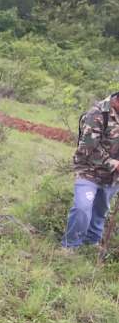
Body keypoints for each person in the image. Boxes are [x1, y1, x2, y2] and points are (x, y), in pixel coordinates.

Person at [61, 92, 119, 252]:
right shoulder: (98, 113)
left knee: (100, 211)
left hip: (112, 178)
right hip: (89, 171)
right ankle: (70, 246)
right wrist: (113, 163)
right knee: (82, 208)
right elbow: (87, 147)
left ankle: (91, 244)